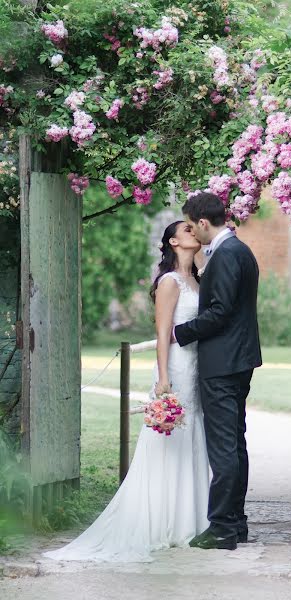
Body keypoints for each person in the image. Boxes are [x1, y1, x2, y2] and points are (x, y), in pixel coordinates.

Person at [42, 221, 210, 563]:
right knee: (169, 440)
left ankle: (190, 521)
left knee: (194, 435)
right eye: (187, 229)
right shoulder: (169, 282)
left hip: (197, 369)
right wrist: (163, 378)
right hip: (175, 366)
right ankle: (163, 521)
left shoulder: (198, 279)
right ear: (173, 241)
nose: (195, 232)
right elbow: (163, 333)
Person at [174, 192, 262, 551]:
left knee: (224, 448)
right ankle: (236, 523)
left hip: (224, 364)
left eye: (193, 226)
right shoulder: (238, 250)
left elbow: (221, 312)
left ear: (204, 223)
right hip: (237, 361)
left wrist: (181, 332)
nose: (194, 232)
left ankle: (224, 528)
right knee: (235, 445)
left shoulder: (226, 254)